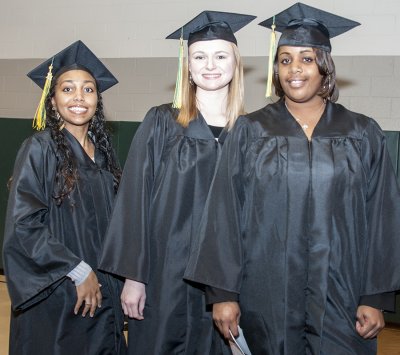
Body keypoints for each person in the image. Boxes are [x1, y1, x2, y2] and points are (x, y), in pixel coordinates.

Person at [184, 3, 400, 354]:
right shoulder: (251, 130)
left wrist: (375, 296)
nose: (295, 69)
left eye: (307, 59)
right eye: (285, 60)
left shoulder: (362, 132)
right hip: (266, 294)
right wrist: (222, 294)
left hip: (342, 295)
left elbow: (383, 217)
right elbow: (224, 212)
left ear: (325, 68)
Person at [98, 10, 255, 355]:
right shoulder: (161, 122)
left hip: (227, 281)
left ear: (235, 63)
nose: (209, 65)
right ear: (187, 65)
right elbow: (133, 201)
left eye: (220, 55)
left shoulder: (251, 132)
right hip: (164, 273)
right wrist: (134, 278)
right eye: (199, 56)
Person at [2, 40, 127, 355]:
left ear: (97, 100)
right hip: (59, 293)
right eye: (68, 89)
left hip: (103, 290)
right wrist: (78, 270)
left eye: (88, 90)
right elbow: (25, 224)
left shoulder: (104, 155)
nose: (79, 98)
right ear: (53, 100)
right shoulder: (39, 149)